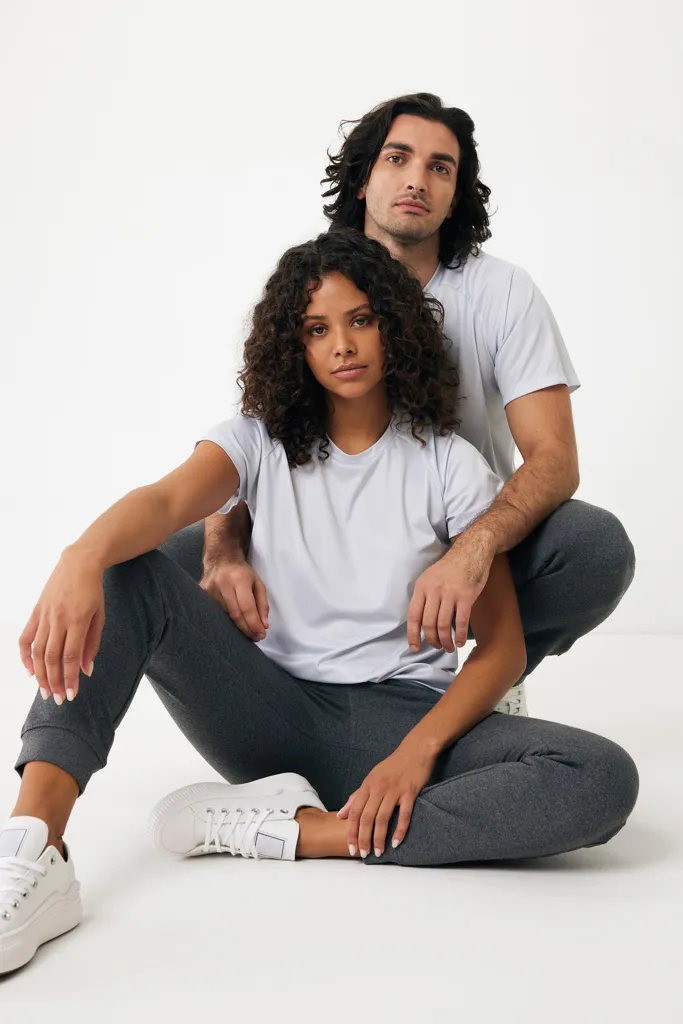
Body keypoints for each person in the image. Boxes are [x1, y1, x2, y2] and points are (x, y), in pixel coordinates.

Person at [1, 230, 638, 975]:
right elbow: (167, 501)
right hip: (266, 712)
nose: (342, 345)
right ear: (292, 345)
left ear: (394, 326)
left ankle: (295, 831)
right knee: (124, 568)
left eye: (361, 319)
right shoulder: (257, 442)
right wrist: (78, 557)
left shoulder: (449, 464)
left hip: (399, 717)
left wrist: (412, 757)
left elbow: (500, 646)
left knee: (600, 777)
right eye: (316, 328)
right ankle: (34, 848)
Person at [192, 93, 635, 717]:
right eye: (397, 158)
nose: (416, 180)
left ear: (456, 196)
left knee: (595, 548)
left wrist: (472, 550)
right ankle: (287, 698)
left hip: (463, 534)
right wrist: (222, 553)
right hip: (316, 551)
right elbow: (248, 442)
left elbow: (555, 458)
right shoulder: (318, 278)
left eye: (440, 167)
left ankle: (487, 680)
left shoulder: (501, 291)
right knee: (152, 557)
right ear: (363, 178)